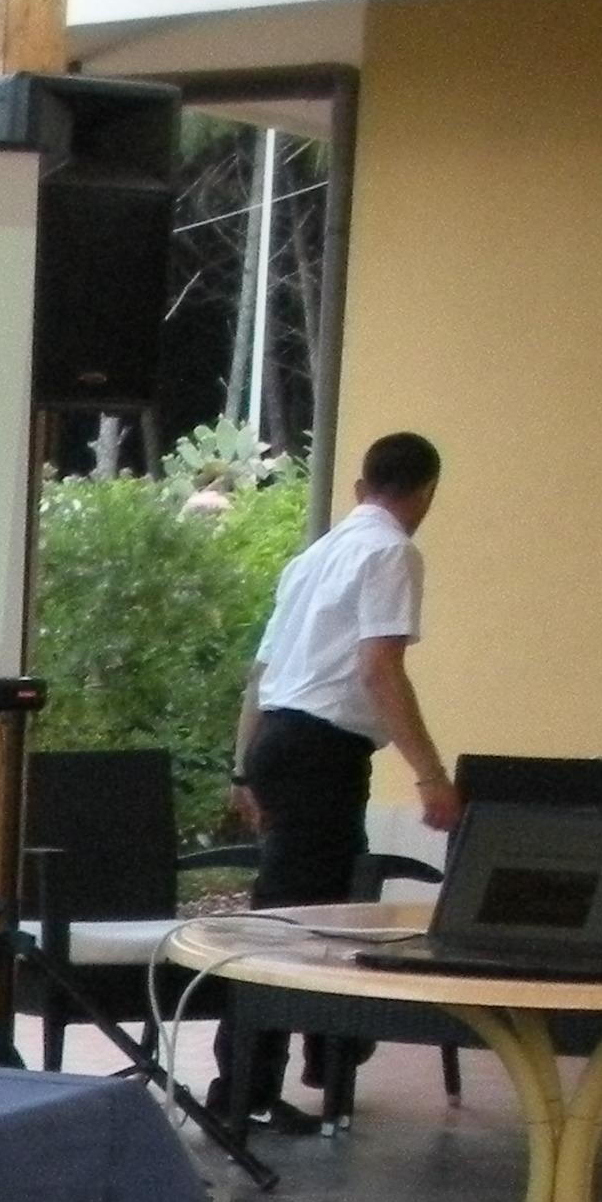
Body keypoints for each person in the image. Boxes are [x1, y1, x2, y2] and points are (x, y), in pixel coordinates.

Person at [212, 431, 456, 1133]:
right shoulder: (391, 552)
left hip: (280, 741)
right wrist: (430, 775)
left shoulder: (312, 558)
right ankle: (247, 1089)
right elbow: (380, 669)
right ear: (426, 493)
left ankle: (326, 1056)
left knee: (325, 906)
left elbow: (260, 676)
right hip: (322, 751)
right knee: (290, 924)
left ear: (359, 488)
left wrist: (243, 766)